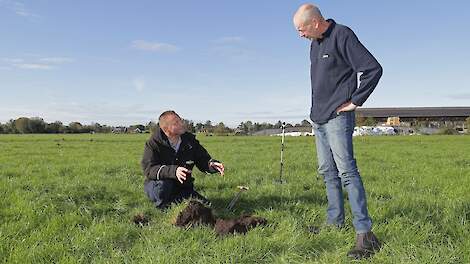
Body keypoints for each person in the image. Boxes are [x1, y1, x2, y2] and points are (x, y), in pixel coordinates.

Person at [293, 4, 383, 259]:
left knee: (347, 172)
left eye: (301, 29)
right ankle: (334, 221)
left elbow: (373, 69)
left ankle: (365, 235)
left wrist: (355, 101)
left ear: (316, 22)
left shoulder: (342, 35)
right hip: (318, 119)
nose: (300, 35)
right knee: (327, 172)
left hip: (338, 117)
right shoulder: (314, 44)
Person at [141, 110, 225, 209]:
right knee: (162, 189)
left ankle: (178, 201)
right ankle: (165, 206)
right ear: (166, 128)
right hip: (160, 185)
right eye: (176, 122)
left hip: (184, 186)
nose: (182, 124)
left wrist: (211, 164)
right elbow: (149, 169)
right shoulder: (153, 143)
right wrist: (174, 171)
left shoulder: (189, 140)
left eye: (180, 120)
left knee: (207, 206)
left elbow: (202, 158)